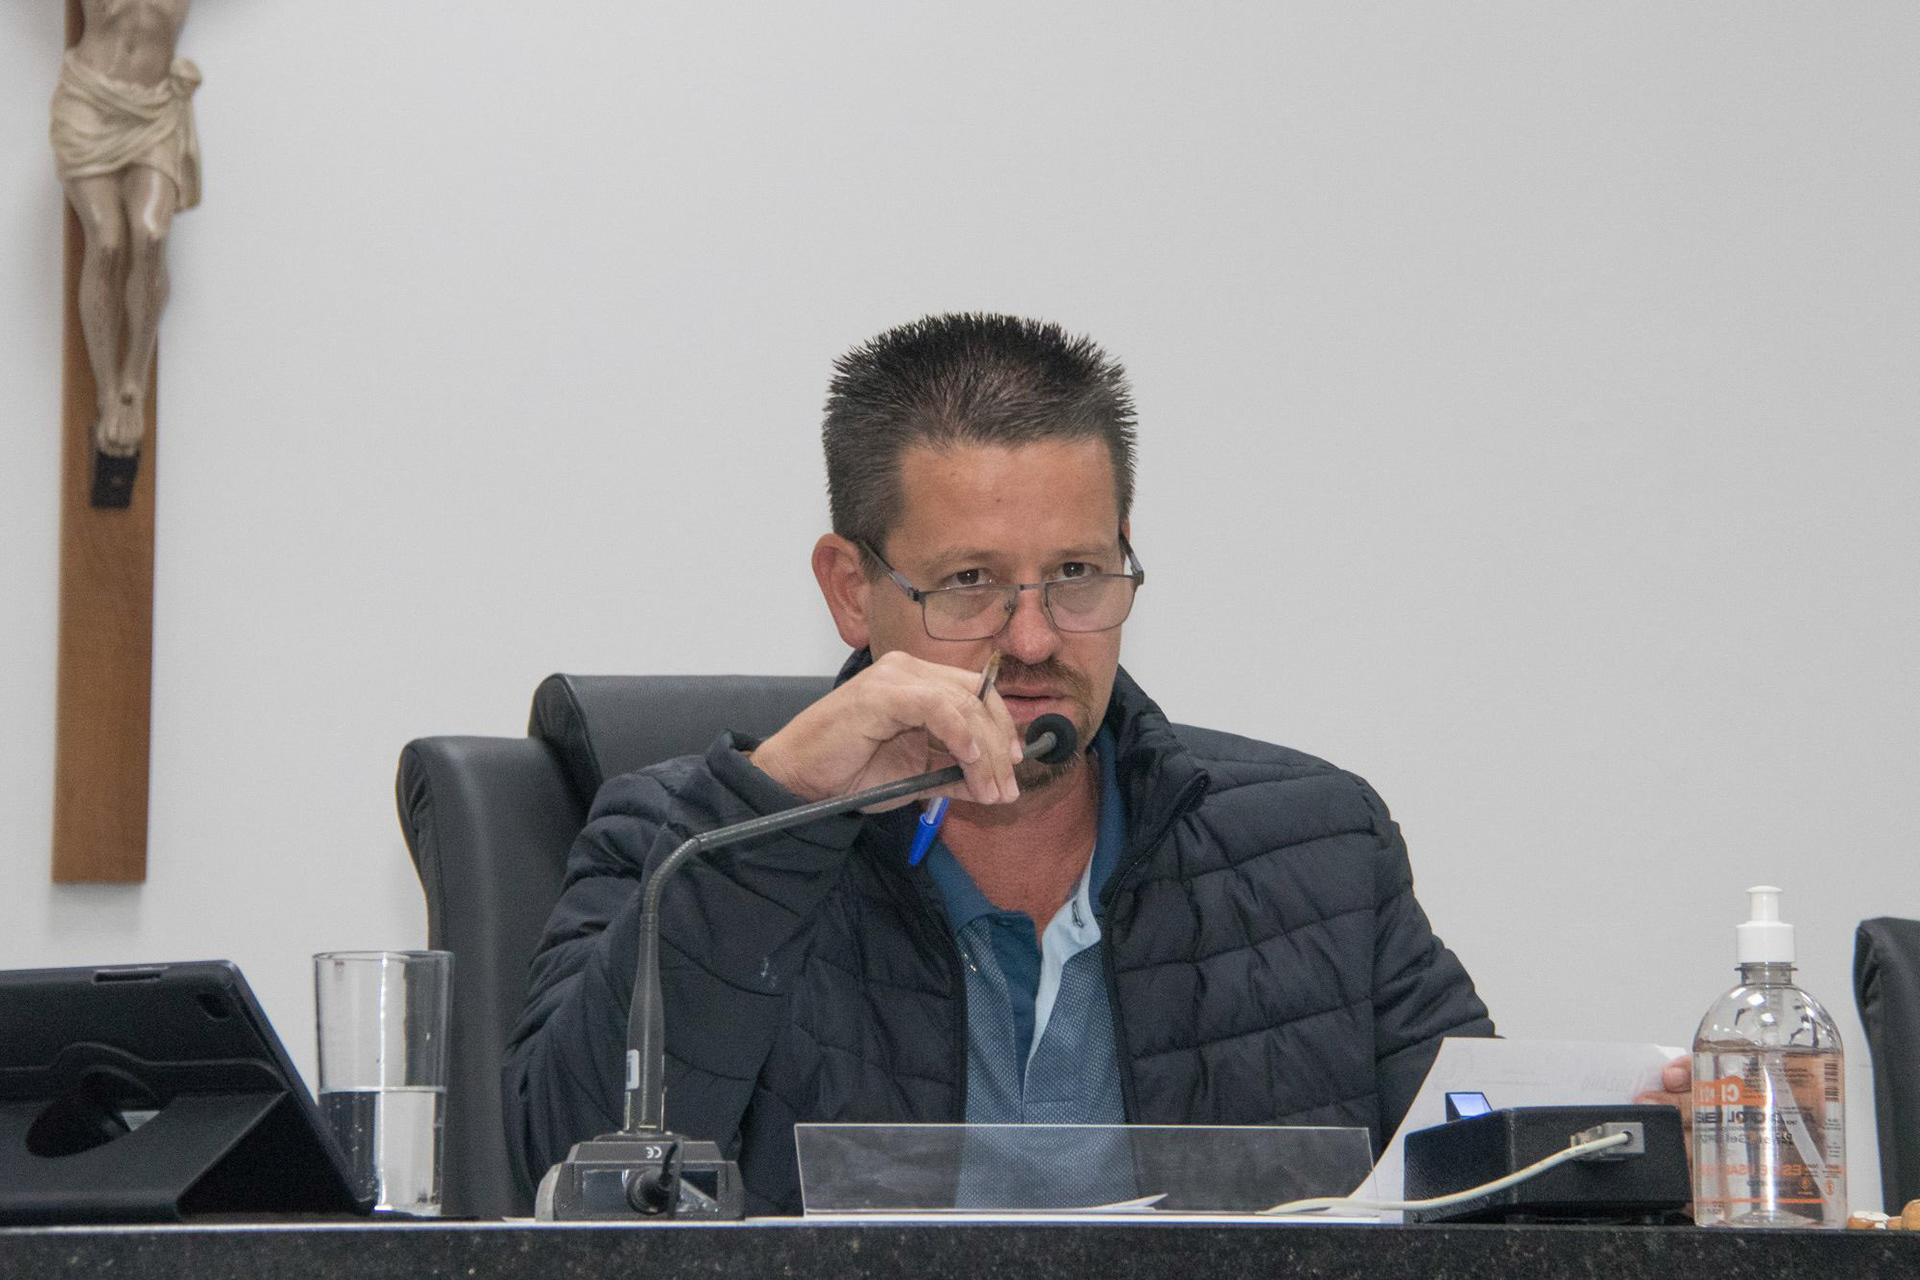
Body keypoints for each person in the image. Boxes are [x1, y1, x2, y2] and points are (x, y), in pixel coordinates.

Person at [504, 313, 1499, 1214]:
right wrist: (775, 810)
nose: (1032, 639)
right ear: (850, 589)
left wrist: (1588, 1163)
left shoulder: (1321, 854)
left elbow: (1504, 1187)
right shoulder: (687, 844)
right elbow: (556, 1185)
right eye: (971, 581)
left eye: (1076, 573)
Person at [49, 0, 201, 507]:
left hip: (154, 111)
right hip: (89, 103)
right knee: (108, 239)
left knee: (152, 233)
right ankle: (107, 390)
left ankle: (134, 380)